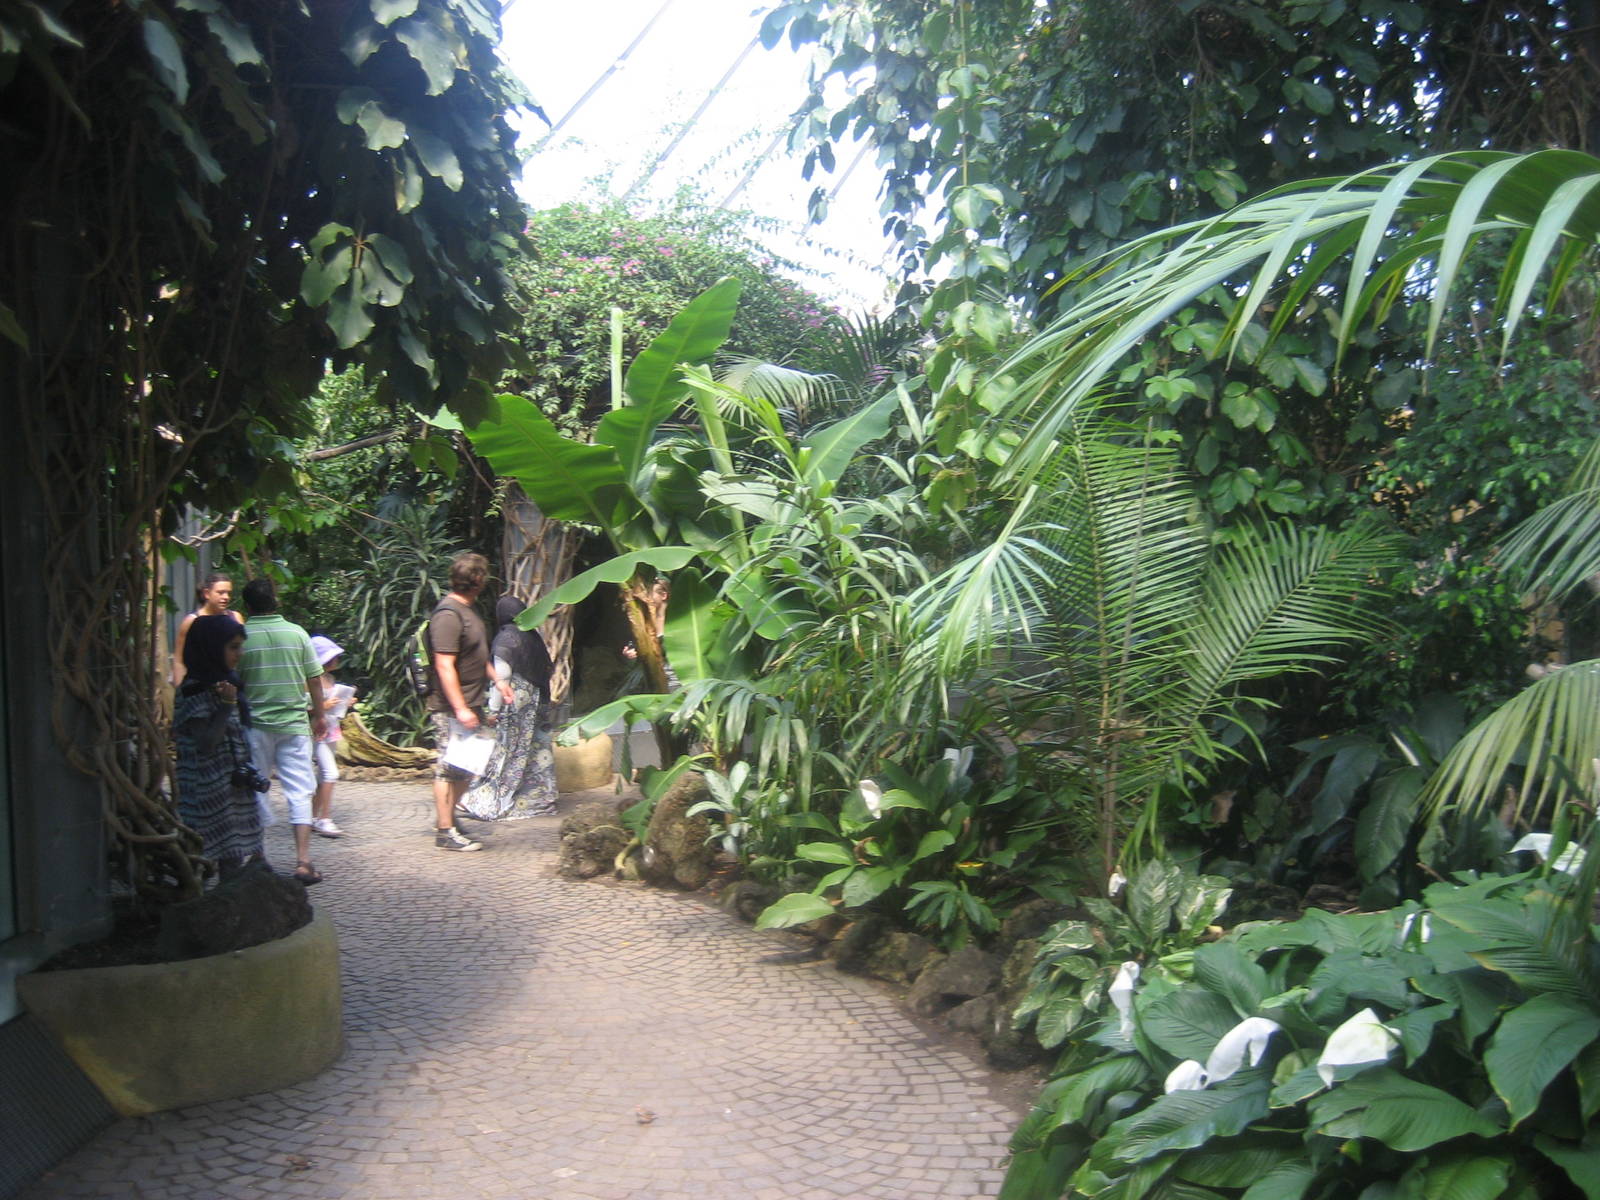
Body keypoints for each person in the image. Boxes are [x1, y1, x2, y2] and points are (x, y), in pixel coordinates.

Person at [237, 577, 327, 885]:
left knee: (255, 788)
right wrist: (320, 716)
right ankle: (303, 862)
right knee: (300, 790)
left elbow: (235, 680)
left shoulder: (242, 636)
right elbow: (315, 680)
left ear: (247, 606)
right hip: (293, 724)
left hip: (255, 726)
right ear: (276, 602)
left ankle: (258, 857)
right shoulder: (297, 633)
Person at [426, 552, 513, 851]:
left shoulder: (468, 611)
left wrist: (498, 680)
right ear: (478, 581)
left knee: (469, 765)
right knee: (448, 768)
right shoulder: (448, 615)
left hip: (472, 701)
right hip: (450, 706)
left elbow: (478, 654)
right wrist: (460, 707)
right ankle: (444, 830)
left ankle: (450, 818)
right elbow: (444, 664)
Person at [172, 613, 265, 874]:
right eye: (233, 647)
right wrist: (226, 705)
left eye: (240, 646)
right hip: (206, 793)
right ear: (211, 648)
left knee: (232, 860)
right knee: (199, 863)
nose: (240, 654)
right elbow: (206, 743)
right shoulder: (195, 690)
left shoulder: (226, 683)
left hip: (231, 789)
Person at [458, 595, 558, 820]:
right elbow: (547, 669)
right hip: (536, 702)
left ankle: (492, 802)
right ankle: (540, 800)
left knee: (507, 752)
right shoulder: (533, 637)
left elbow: (501, 676)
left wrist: (493, 711)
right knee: (536, 752)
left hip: (513, 705)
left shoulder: (505, 639)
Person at [309, 635, 356, 839]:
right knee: (330, 773)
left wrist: (344, 702)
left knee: (323, 776)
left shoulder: (329, 679)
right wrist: (321, 707)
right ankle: (324, 818)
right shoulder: (310, 679)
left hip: (332, 729)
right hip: (317, 731)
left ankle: (312, 816)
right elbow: (304, 706)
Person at [171, 572, 245, 687]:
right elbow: (179, 660)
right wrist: (181, 690)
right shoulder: (191, 621)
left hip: (229, 685)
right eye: (220, 593)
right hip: (199, 686)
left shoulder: (235, 618)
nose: (226, 597)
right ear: (206, 593)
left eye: (228, 593)